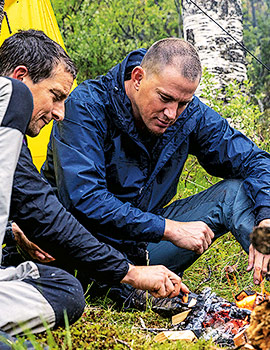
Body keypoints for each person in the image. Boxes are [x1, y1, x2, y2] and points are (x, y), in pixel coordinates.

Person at [0, 31, 188, 348]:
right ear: (22, 75)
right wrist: (128, 272)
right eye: (56, 96)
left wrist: (11, 229)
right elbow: (40, 210)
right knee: (9, 97)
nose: (60, 112)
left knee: (66, 289)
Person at [42, 38, 270, 303]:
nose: (172, 113)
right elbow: (84, 199)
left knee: (236, 193)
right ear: (138, 78)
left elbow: (255, 160)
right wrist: (168, 228)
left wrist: (265, 220)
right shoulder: (85, 107)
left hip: (143, 246)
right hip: (81, 250)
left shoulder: (189, 113)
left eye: (183, 103)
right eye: (165, 98)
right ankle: (123, 288)